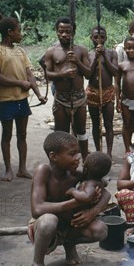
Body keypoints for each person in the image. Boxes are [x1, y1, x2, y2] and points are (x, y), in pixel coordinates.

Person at [29, 131, 110, 266]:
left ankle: (69, 245)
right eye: (72, 154)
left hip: (69, 224)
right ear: (54, 156)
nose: (78, 158)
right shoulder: (43, 171)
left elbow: (105, 192)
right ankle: (37, 263)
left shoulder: (76, 173)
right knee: (49, 221)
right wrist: (75, 202)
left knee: (101, 229)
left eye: (78, 153)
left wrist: (92, 212)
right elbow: (37, 209)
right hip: (45, 227)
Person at [0, 16, 47, 181]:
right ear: (10, 32)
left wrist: (39, 94)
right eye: (19, 30)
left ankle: (22, 168)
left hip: (22, 100)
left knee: (22, 135)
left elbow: (30, 75)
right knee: (7, 135)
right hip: (6, 101)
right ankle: (8, 170)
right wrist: (20, 83)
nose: (21, 34)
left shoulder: (20, 51)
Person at [42, 17, 91, 161]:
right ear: (56, 32)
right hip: (61, 99)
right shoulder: (51, 51)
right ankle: (61, 162)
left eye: (68, 32)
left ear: (73, 32)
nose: (64, 35)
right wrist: (62, 74)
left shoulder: (81, 50)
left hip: (79, 98)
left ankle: (84, 160)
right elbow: (47, 74)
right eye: (61, 31)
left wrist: (77, 62)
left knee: (81, 131)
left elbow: (88, 73)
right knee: (61, 133)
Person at [87, 26, 119, 158]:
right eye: (96, 37)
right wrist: (96, 57)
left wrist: (104, 55)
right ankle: (98, 151)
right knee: (95, 124)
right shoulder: (88, 54)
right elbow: (88, 74)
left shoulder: (112, 53)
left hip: (107, 91)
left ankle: (109, 153)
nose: (99, 39)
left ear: (106, 38)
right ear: (91, 38)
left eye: (102, 37)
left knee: (108, 123)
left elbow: (115, 71)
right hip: (93, 91)